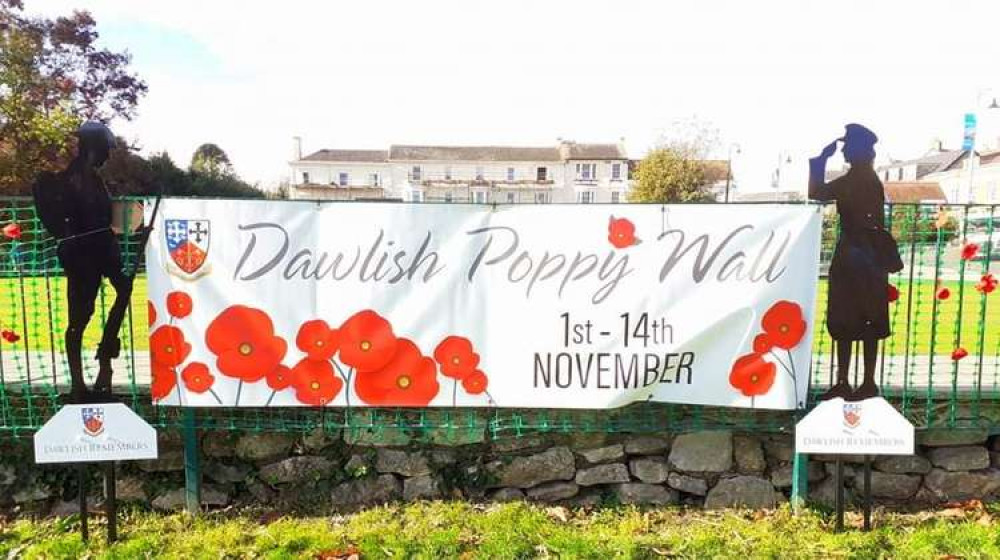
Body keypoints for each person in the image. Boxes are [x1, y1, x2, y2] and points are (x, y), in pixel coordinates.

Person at [33, 122, 134, 402]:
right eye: (104, 150)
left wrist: (129, 227)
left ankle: (105, 359)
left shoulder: (98, 182)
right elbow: (67, 223)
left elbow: (105, 220)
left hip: (104, 252)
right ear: (92, 147)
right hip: (82, 257)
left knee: (124, 291)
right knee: (79, 319)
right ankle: (79, 384)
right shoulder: (67, 180)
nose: (107, 156)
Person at [808, 124, 897, 401]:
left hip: (857, 257)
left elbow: (817, 192)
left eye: (847, 146)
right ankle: (853, 381)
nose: (843, 150)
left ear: (858, 150)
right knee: (856, 320)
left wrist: (820, 161)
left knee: (853, 319)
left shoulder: (857, 180)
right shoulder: (864, 178)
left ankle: (857, 382)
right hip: (863, 258)